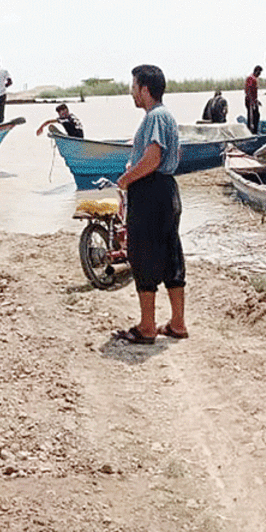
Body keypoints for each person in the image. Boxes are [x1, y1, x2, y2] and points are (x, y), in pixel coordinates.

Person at [113, 64, 187, 344]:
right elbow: (173, 153)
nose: (132, 93)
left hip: (151, 192)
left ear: (145, 89)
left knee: (142, 255)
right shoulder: (168, 116)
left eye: (134, 87)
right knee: (171, 255)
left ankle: (147, 326)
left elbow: (153, 158)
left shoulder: (154, 117)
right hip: (168, 190)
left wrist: (126, 179)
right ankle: (177, 323)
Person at [245, 65, 263, 134]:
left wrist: (256, 101)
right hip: (250, 100)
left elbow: (254, 92)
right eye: (259, 72)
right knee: (252, 116)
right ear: (256, 71)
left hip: (253, 100)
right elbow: (249, 91)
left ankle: (255, 130)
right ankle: (251, 131)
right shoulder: (251, 78)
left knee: (256, 115)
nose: (260, 74)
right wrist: (252, 102)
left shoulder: (255, 78)